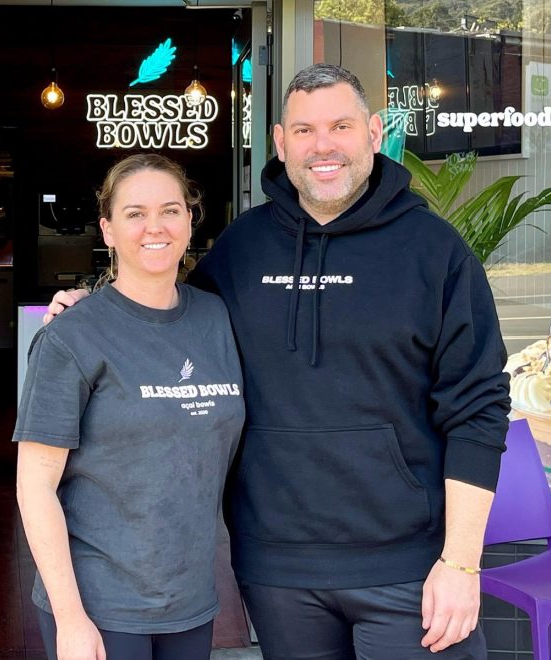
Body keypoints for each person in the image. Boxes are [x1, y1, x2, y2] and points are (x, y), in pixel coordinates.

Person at [45, 64, 511, 659]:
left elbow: (478, 410)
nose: (323, 146)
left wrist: (462, 563)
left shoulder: (436, 253)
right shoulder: (242, 248)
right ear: (279, 140)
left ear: (373, 132)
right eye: (304, 129)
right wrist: (95, 303)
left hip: (410, 569)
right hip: (277, 569)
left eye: (340, 126)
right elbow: (166, 317)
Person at [15, 154, 246, 660]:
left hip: (190, 600)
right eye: (135, 214)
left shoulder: (216, 317)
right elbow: (35, 486)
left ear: (190, 220)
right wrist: (71, 618)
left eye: (170, 210)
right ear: (108, 229)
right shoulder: (72, 336)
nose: (155, 227)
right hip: (100, 608)